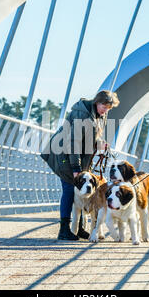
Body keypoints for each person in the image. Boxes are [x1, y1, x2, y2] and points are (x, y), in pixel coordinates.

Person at [41, 90, 120, 240]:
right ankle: (64, 230)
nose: (106, 111)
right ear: (97, 102)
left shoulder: (98, 114)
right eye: (104, 107)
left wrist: (99, 144)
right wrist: (76, 168)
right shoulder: (82, 114)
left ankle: (79, 229)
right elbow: (74, 143)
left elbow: (90, 137)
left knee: (82, 191)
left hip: (79, 156)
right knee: (70, 189)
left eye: (109, 108)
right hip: (64, 154)